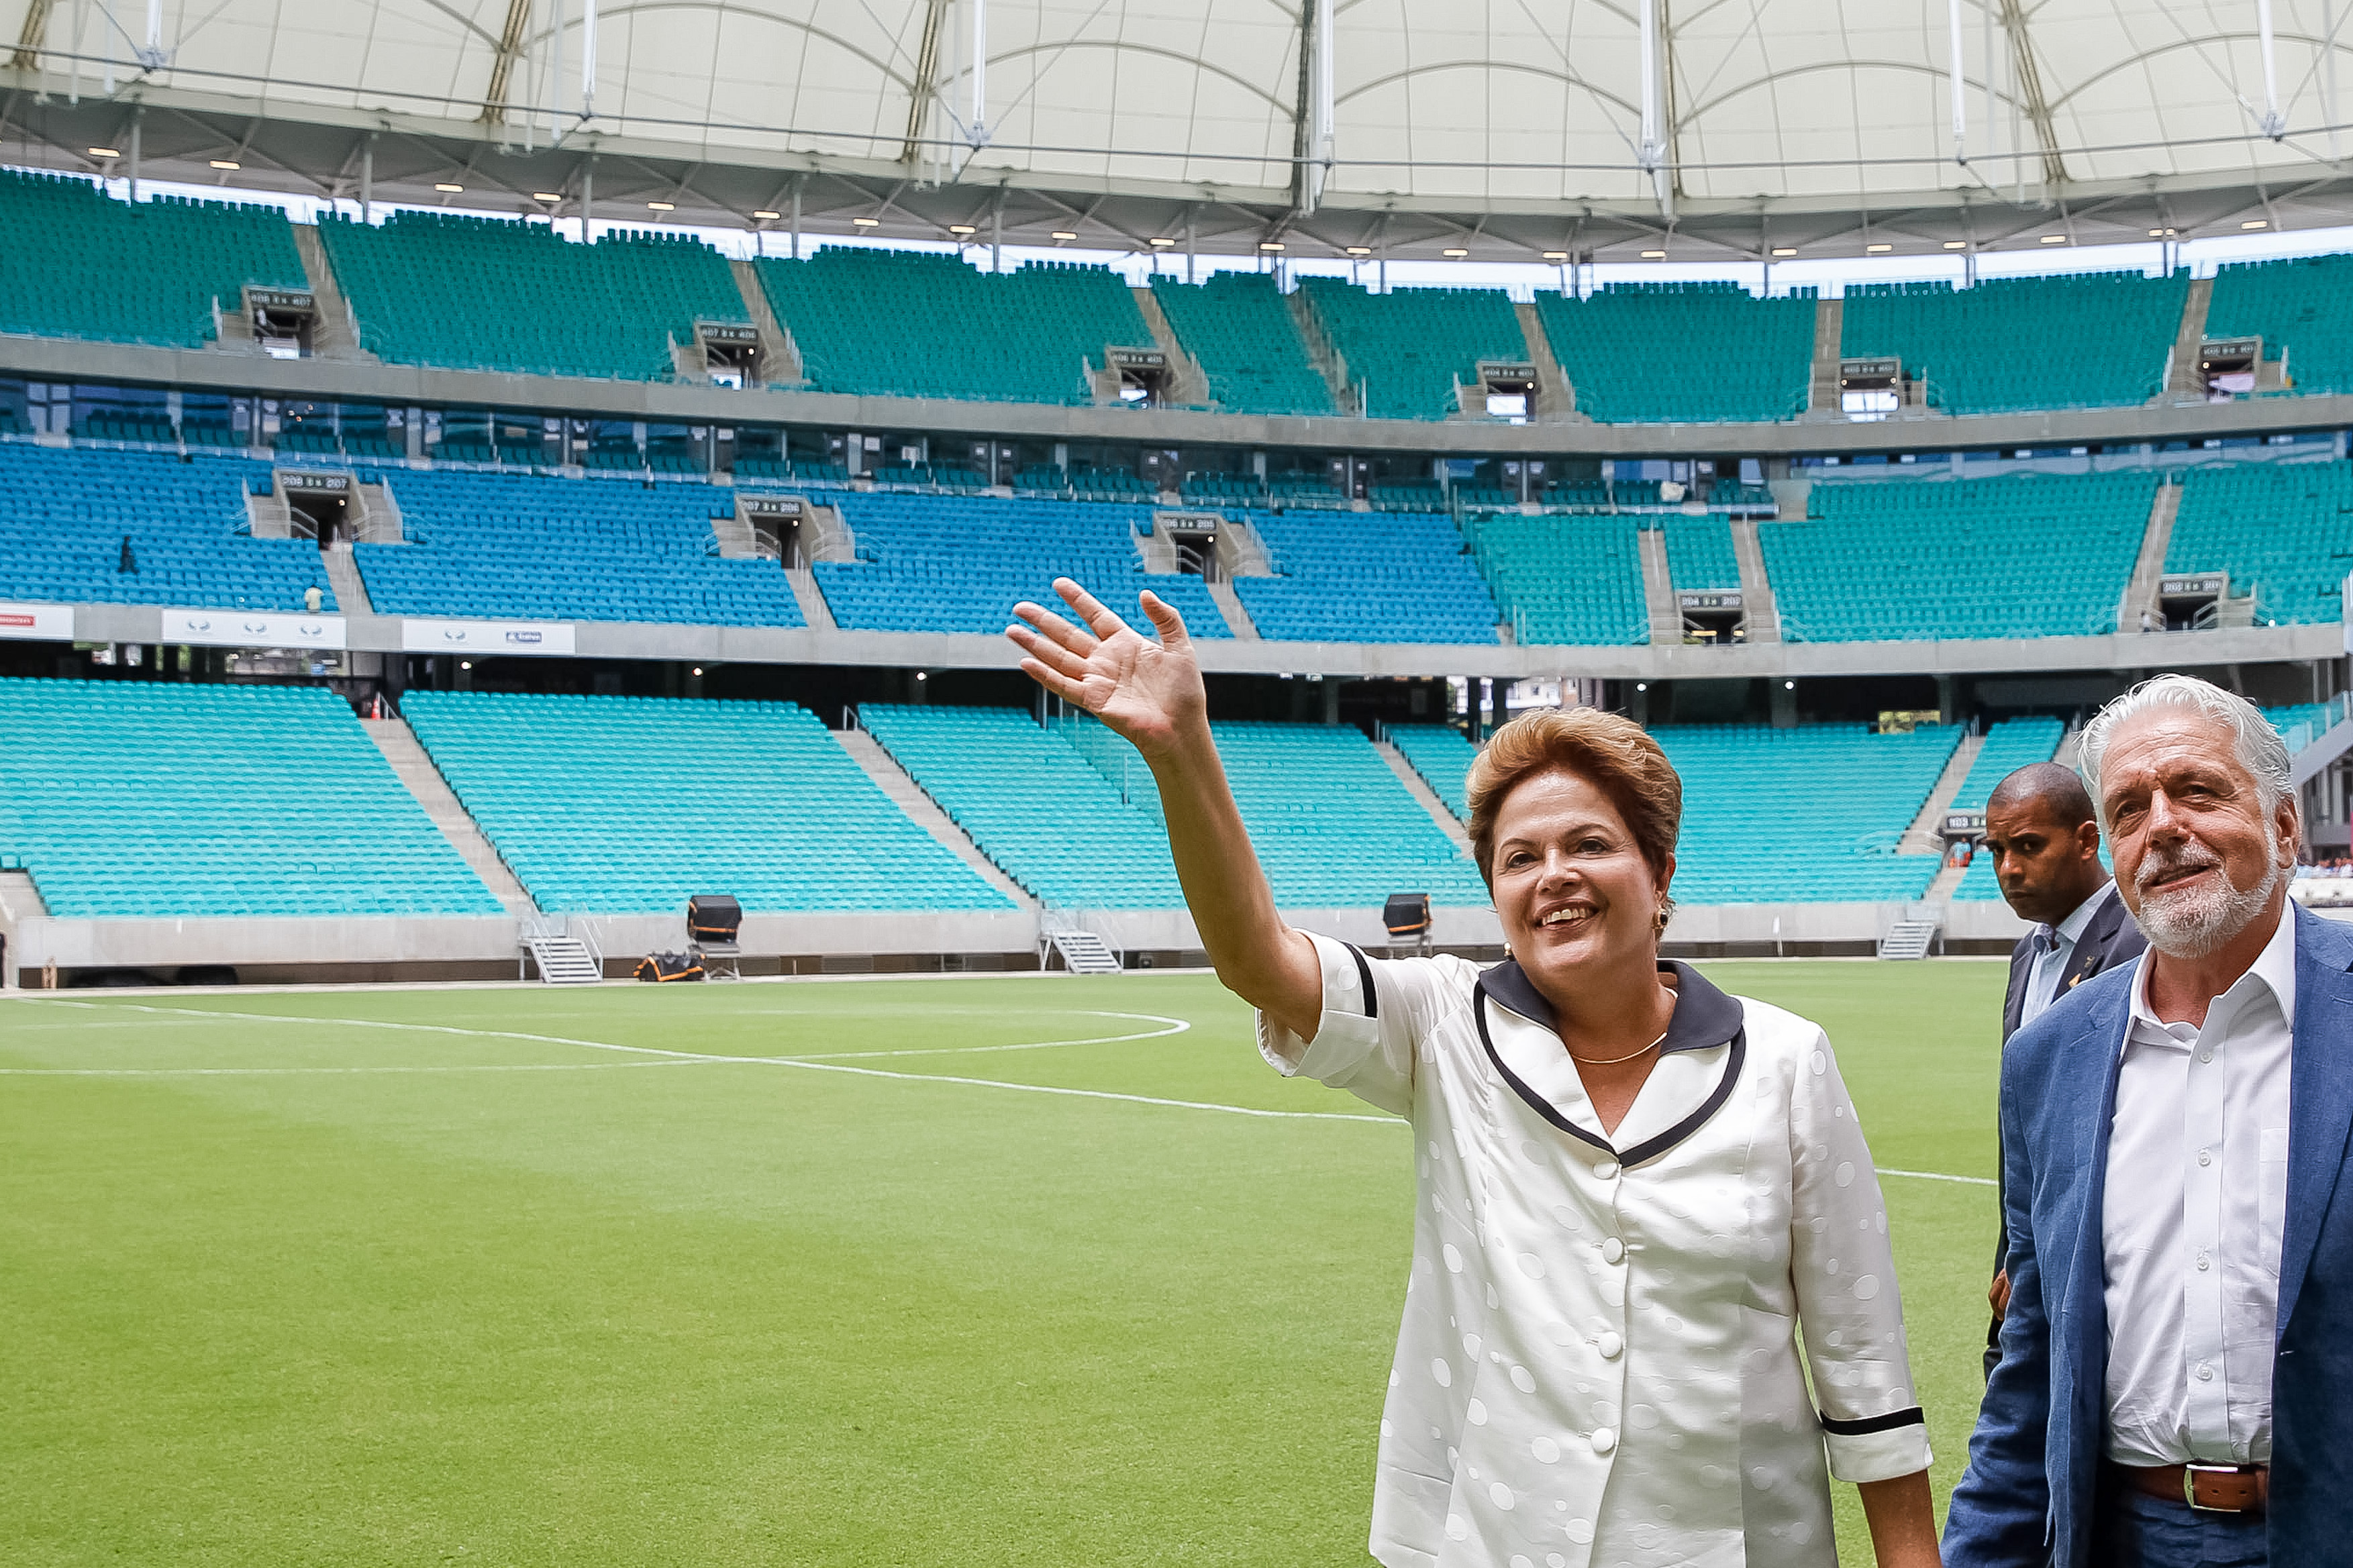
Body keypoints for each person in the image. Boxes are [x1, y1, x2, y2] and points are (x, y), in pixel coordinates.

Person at [1007, 578, 1940, 1568]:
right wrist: (1180, 750)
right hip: (1500, 1537)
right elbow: (1257, 960)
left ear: (1658, 875)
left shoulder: (1784, 1060)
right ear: (1495, 892)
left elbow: (1861, 1353)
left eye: (1590, 844)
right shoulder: (1445, 1022)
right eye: (1518, 857)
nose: (1554, 877)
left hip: (1737, 1542)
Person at [1945, 674, 2353, 1567]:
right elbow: (2032, 1367)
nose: (2162, 825)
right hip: (2128, 1532)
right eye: (2128, 808)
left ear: (2283, 826)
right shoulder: (2046, 1061)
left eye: (2197, 790)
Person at [1976, 762, 2146, 1374]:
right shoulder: (2030, 953)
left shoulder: (2139, 945)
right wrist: (2021, 1254)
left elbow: (2126, 1130)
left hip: (2100, 1270)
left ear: (2085, 839)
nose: (2008, 869)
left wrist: (2051, 1260)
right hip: (2028, 1254)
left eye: (2028, 846)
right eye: (1996, 850)